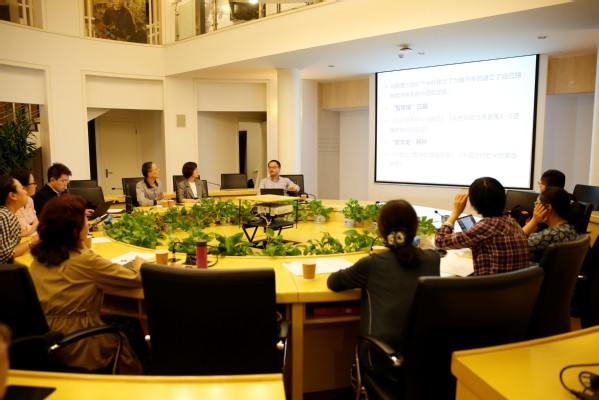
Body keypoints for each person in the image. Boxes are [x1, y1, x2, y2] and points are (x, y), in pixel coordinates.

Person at [29, 194, 146, 374]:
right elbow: (136, 279)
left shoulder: (38, 259)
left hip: (46, 337)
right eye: (84, 218)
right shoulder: (86, 261)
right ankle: (142, 378)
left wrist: (79, 241)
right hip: (78, 342)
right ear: (74, 228)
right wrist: (140, 265)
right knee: (131, 325)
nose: (88, 223)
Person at [327, 199, 440, 376]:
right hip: (425, 364)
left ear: (381, 230)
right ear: (415, 228)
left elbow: (333, 282)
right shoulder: (433, 259)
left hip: (381, 363)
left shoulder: (372, 264)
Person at [434, 177, 530, 275]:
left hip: (491, 284)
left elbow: (440, 241)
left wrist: (455, 212)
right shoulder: (512, 222)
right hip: (516, 283)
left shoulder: (486, 226)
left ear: (474, 204)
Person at [523, 187, 579, 262]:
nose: (534, 208)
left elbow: (516, 244)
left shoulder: (551, 234)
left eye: (536, 204)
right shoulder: (571, 226)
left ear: (548, 208)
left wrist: (533, 221)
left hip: (538, 268)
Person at [0, 174, 32, 264]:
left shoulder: (7, 214)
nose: (26, 192)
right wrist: (33, 242)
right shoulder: (4, 216)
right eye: (22, 188)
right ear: (12, 195)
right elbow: (5, 254)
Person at [10, 168, 39, 236]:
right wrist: (34, 225)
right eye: (33, 183)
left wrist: (33, 226)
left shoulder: (30, 200)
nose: (35, 185)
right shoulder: (13, 204)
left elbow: (36, 221)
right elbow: (23, 231)